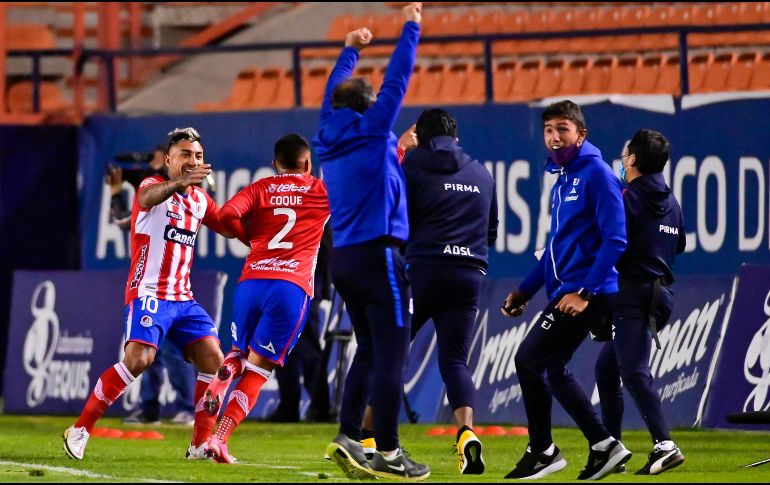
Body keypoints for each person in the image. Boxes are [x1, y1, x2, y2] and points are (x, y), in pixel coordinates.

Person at [63, 127, 242, 461]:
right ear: (170, 160)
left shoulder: (200, 200)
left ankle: (198, 444)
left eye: (198, 156)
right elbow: (146, 199)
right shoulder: (151, 186)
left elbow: (229, 227)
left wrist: (264, 231)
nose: (193, 161)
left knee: (214, 360)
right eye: (186, 155)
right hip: (149, 293)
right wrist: (179, 183)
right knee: (139, 360)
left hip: (182, 299)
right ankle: (81, 429)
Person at [312, 2, 430, 481]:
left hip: (343, 258)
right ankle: (389, 450)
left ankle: (347, 435)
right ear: (368, 107)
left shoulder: (325, 133)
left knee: (368, 349)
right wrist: (411, 25)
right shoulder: (373, 129)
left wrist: (348, 52)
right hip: (380, 253)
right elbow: (399, 78)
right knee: (392, 353)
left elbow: (329, 96)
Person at [500, 100, 632, 480]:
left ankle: (544, 450)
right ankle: (604, 446)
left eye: (563, 128)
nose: (555, 137)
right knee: (552, 368)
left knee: (528, 360)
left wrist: (585, 292)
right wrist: (524, 291)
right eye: (548, 130)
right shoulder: (564, 180)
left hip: (588, 291)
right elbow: (556, 249)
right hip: (570, 289)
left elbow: (615, 240)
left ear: (581, 133)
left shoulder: (597, 174)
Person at [200, 134, 330, 463]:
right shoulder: (319, 190)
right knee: (258, 371)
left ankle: (225, 371)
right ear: (307, 163)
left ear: (275, 165)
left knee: (238, 353)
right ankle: (220, 439)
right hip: (290, 287)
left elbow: (227, 214)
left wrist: (252, 240)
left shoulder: (259, 188)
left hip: (250, 281)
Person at [402, 108, 497, 474]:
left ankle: (366, 436)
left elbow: (397, 216)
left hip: (422, 270)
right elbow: (491, 232)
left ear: (421, 137)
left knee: (392, 351)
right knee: (455, 361)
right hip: (468, 274)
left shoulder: (411, 166)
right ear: (455, 137)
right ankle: (466, 432)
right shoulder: (481, 173)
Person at [594, 129, 686, 475]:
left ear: (632, 159)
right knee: (607, 369)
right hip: (661, 295)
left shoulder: (626, 196)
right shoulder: (673, 202)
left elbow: (611, 239)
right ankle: (612, 448)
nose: (621, 158)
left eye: (624, 153)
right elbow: (679, 245)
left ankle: (665, 445)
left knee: (633, 371)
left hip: (633, 294)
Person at [107, 145, 197, 427]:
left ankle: (185, 408)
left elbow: (122, 220)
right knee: (148, 351)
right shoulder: (156, 188)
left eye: (154, 159)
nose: (150, 165)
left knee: (169, 350)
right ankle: (150, 408)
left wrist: (116, 193)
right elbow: (127, 219)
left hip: (167, 284)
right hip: (151, 281)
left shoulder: (166, 188)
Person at [266, 225, 333, 423]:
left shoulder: (315, 202)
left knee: (308, 347)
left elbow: (325, 245)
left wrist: (318, 284)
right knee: (284, 347)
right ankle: (289, 407)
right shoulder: (291, 202)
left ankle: (321, 409)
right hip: (283, 281)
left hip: (306, 283)